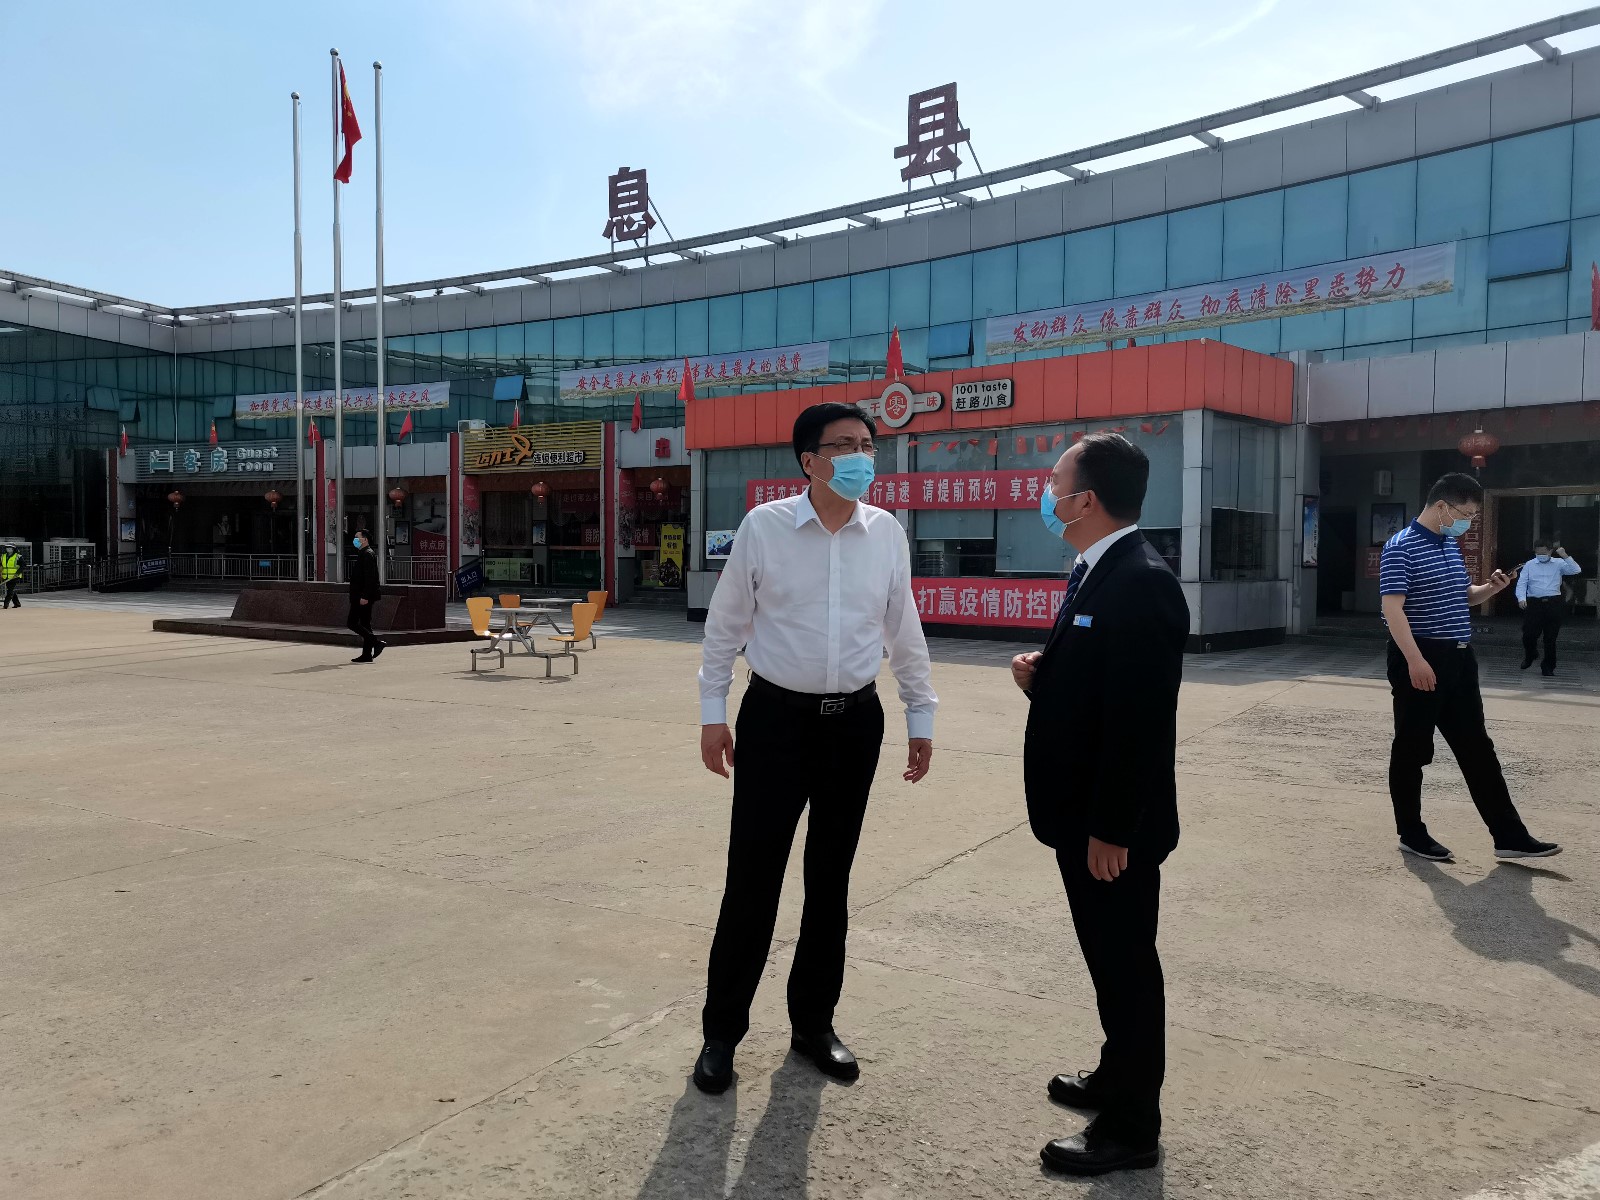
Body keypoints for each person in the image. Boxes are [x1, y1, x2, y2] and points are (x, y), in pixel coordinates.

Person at [693, 402, 937, 1094]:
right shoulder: (765, 527)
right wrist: (713, 714)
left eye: (868, 445)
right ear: (810, 461)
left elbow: (903, 627)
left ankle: (813, 1025)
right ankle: (721, 1033)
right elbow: (724, 626)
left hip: (853, 724)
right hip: (775, 721)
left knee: (830, 881)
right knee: (753, 878)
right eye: (845, 446)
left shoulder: (885, 532)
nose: (861, 457)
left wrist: (921, 713)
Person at [1012, 432, 1189, 1177]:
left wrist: (1113, 828)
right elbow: (1103, 685)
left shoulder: (1141, 581)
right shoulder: (1097, 569)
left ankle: (1132, 1127)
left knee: (1126, 967)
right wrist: (1045, 677)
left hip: (1111, 829)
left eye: (1055, 483)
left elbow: (1140, 723)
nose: (1047, 494)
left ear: (1085, 500)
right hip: (1083, 815)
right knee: (1108, 961)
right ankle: (1116, 1075)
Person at [1380, 474, 1560, 863]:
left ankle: (1509, 837)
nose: (1469, 522)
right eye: (1467, 514)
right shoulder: (1401, 547)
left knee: (1477, 748)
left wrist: (1492, 588)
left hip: (1460, 658)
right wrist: (1415, 660)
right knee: (1413, 748)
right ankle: (1411, 832)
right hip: (1421, 656)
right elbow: (1392, 609)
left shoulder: (1448, 543)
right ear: (1442, 506)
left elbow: (1464, 596)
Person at [1517, 538, 1581, 677]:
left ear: (1550, 551)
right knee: (1528, 634)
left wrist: (1564, 555)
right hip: (1534, 603)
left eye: (1543, 553)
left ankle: (1548, 667)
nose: (1541, 556)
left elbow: (1576, 570)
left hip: (1553, 603)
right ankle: (1530, 654)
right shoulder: (1529, 565)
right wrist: (1521, 598)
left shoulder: (1559, 563)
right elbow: (1522, 582)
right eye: (1538, 553)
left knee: (1550, 638)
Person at [346, 530, 385, 663]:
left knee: (352, 622)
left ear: (365, 539)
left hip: (362, 596)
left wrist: (365, 596)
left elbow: (370, 578)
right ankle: (367, 654)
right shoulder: (363, 553)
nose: (355, 540)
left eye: (357, 537)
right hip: (362, 595)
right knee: (365, 624)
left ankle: (376, 642)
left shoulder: (367, 554)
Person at [1, 544, 21, 609]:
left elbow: (23, 566)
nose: (8, 549)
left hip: (14, 577)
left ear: (13, 549)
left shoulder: (18, 556)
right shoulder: (3, 556)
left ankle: (6, 604)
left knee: (10, 591)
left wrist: (17, 573)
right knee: (11, 590)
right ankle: (17, 603)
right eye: (7, 548)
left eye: (10, 548)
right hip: (6, 577)